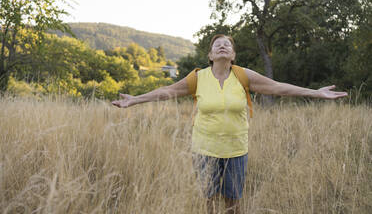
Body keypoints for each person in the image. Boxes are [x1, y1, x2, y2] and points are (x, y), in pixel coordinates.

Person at [111, 34, 348, 214]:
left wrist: (316, 93)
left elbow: (277, 87)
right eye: (217, 45)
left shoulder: (243, 75)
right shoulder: (198, 78)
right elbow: (168, 90)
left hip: (236, 150)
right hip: (205, 150)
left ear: (233, 55)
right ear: (211, 55)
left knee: (233, 203)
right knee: (209, 201)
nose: (222, 46)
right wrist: (135, 100)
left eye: (227, 44)